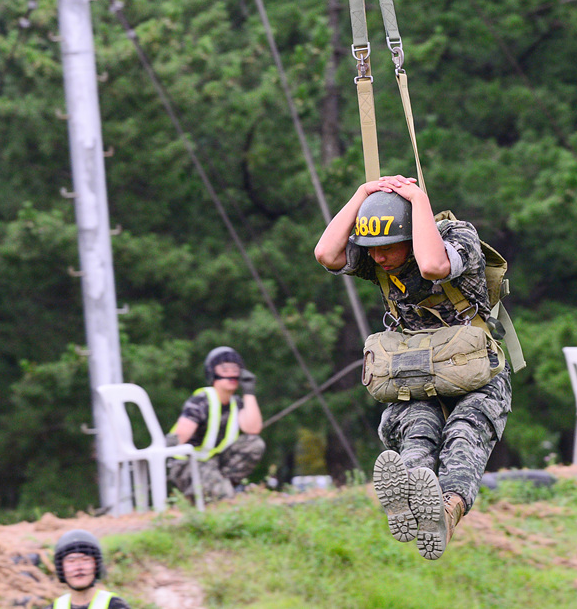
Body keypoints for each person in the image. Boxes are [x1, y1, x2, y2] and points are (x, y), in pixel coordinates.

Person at [314, 175, 511, 561]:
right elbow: (327, 254)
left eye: (387, 247)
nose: (378, 257)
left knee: (464, 434)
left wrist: (417, 199)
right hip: (419, 374)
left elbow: (435, 265)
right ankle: (408, 493)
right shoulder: (378, 258)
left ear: (408, 232)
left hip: (476, 373)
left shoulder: (459, 238)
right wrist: (362, 194)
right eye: (372, 248)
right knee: (416, 430)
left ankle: (445, 511)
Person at [167, 347, 265, 503]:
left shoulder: (236, 403)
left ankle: (222, 487)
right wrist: (169, 443)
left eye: (235, 369)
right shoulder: (202, 400)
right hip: (188, 464)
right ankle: (217, 494)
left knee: (254, 444)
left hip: (214, 463)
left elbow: (253, 429)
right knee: (224, 499)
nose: (232, 374)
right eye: (225, 370)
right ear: (213, 373)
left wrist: (249, 392)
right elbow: (182, 432)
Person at [47, 529, 129, 609]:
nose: (78, 567)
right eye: (71, 561)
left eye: (85, 560)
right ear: (61, 568)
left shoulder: (116, 605)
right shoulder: (55, 607)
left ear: (96, 565)